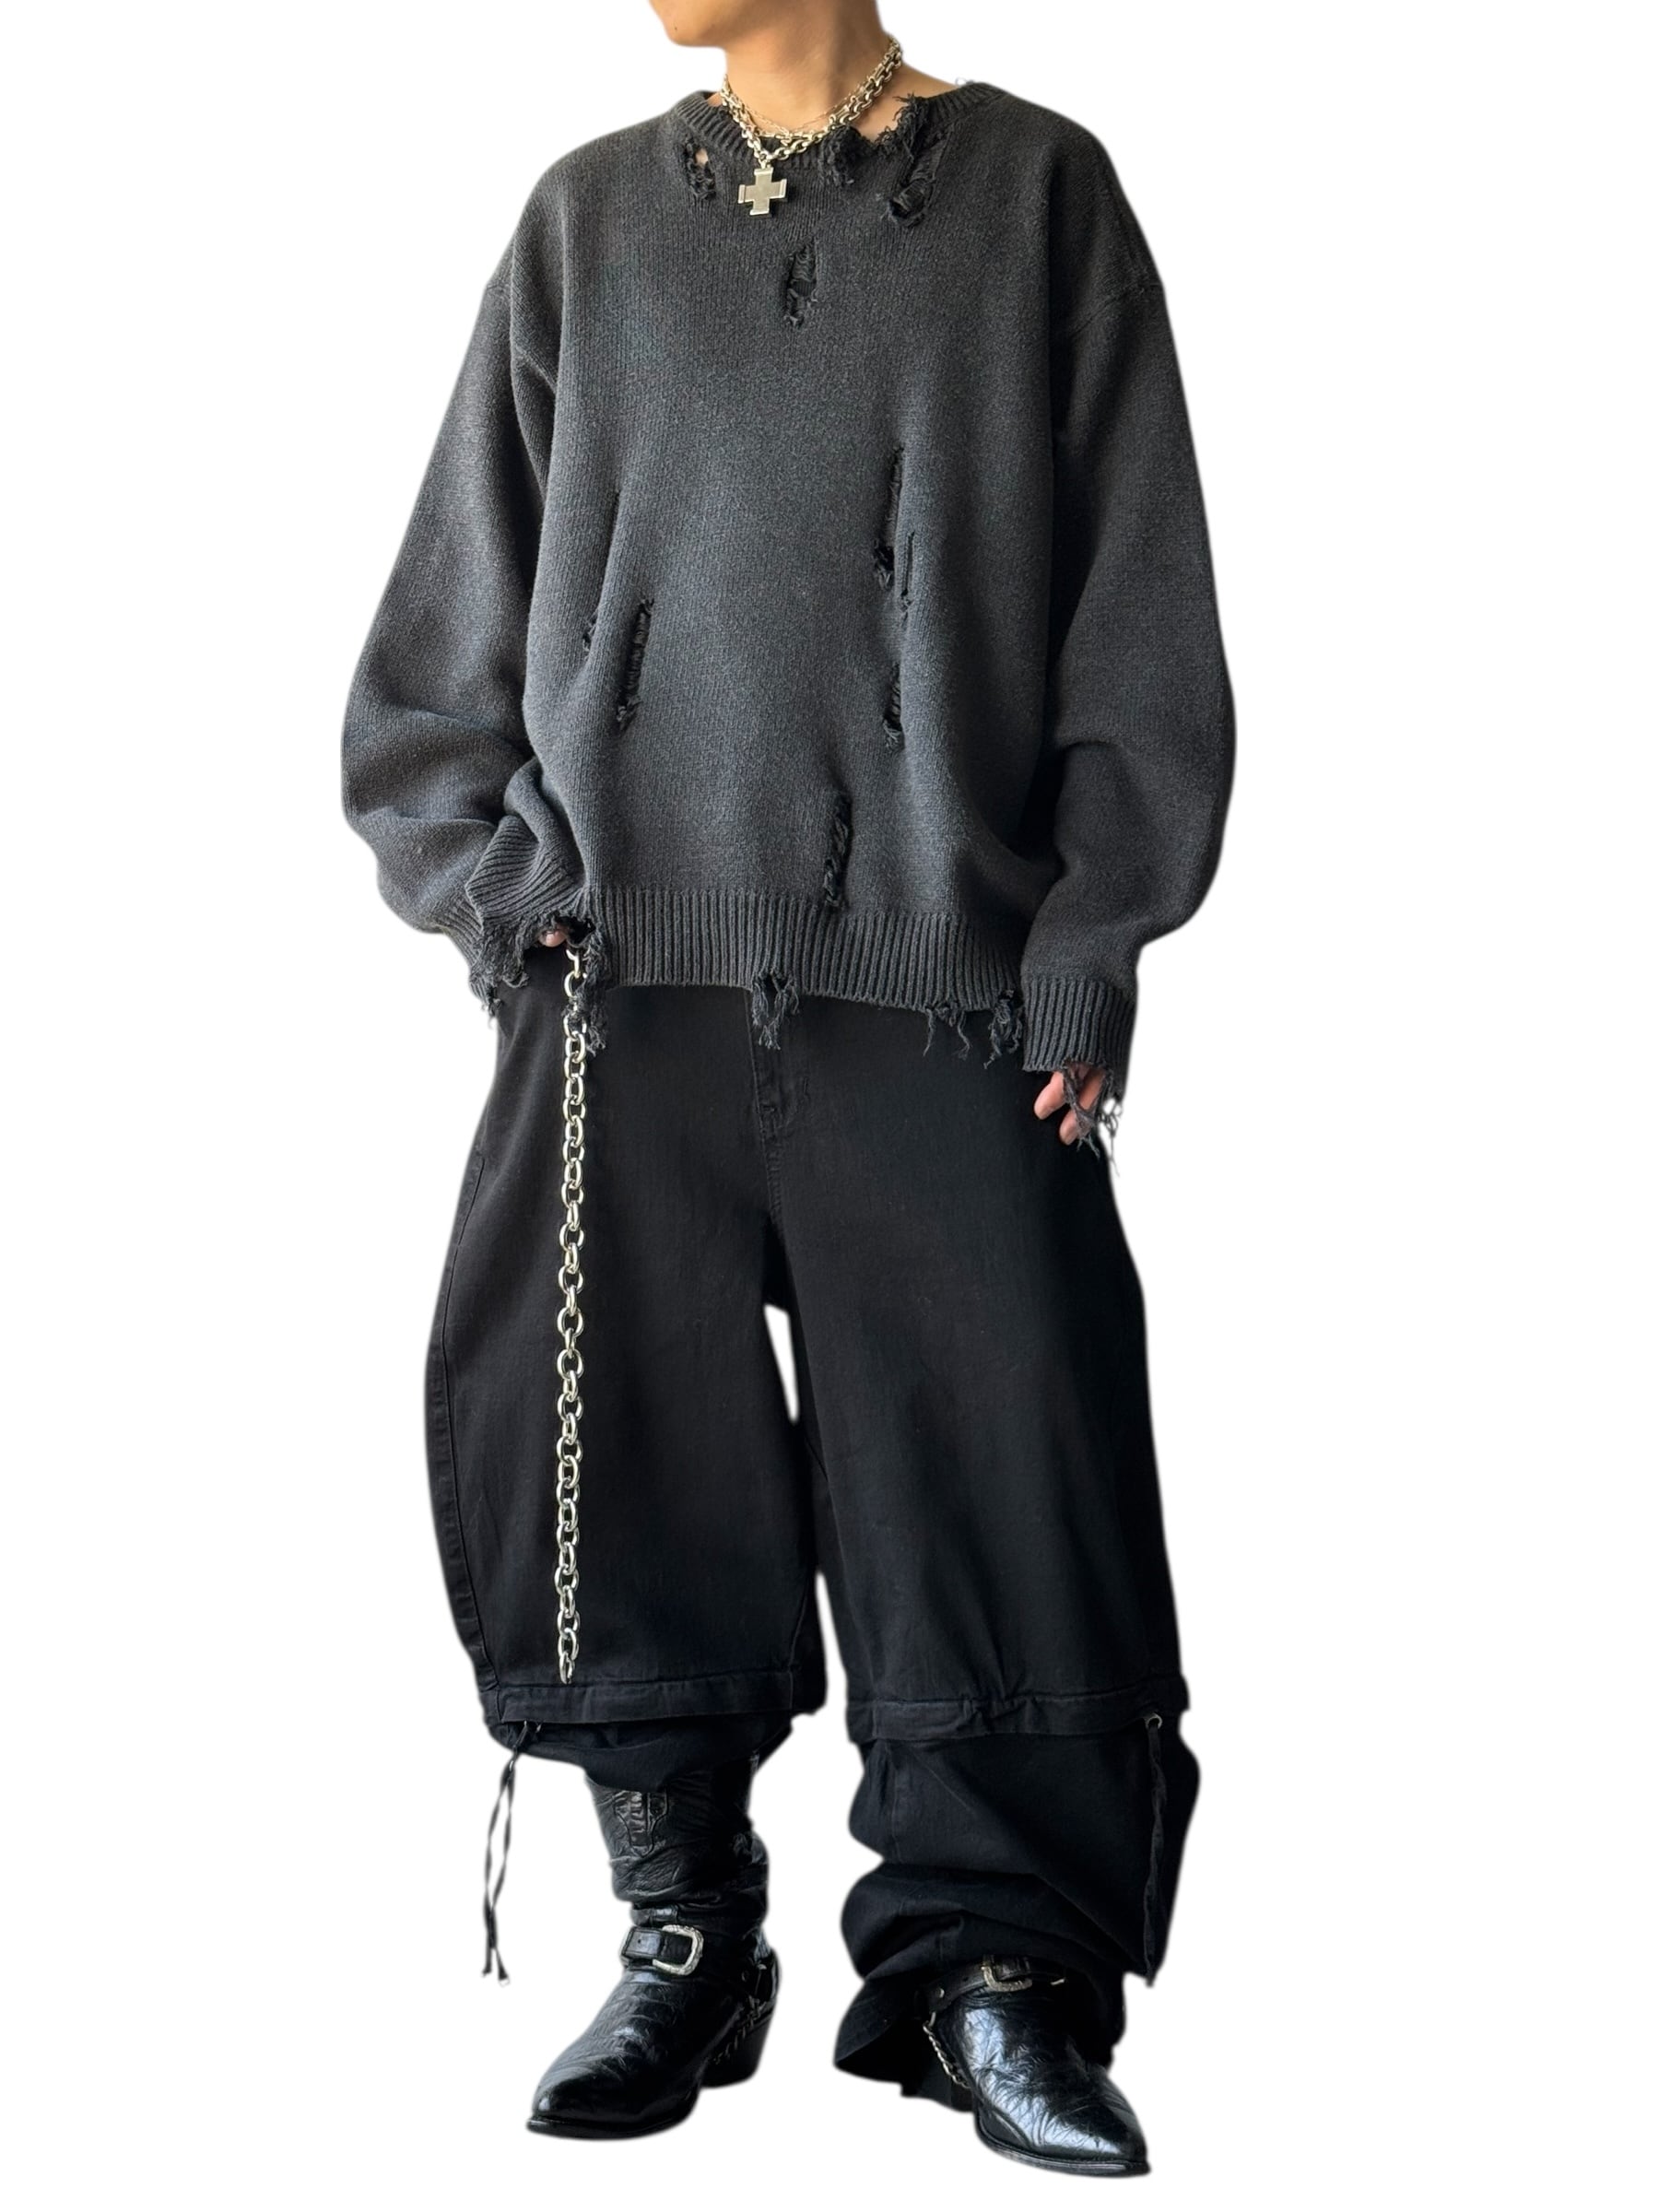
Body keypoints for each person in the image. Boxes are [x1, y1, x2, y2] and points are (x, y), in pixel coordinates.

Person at [341, 0, 1233, 2177]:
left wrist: (1089, 938)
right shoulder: (585, 225)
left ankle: (997, 1972)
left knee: (1008, 1461)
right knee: (584, 1443)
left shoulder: (1037, 198)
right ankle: (685, 1928)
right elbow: (444, 644)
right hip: (613, 982)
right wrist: (503, 901)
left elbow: (1136, 608)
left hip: (941, 980)